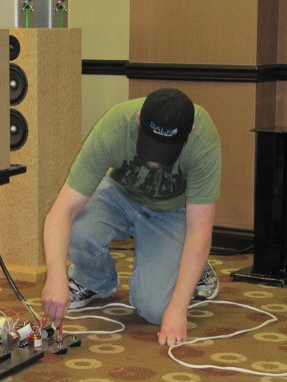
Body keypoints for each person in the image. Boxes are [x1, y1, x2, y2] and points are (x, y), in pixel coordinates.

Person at [42, 88, 221, 346]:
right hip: (119, 195)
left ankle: (197, 267)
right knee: (78, 230)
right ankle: (95, 280)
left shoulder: (203, 140)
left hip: (170, 212)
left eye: (165, 150)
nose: (155, 162)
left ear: (190, 131)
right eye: (150, 145)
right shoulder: (114, 127)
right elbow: (62, 211)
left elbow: (200, 229)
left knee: (156, 310)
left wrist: (178, 308)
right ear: (138, 120)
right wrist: (55, 276)